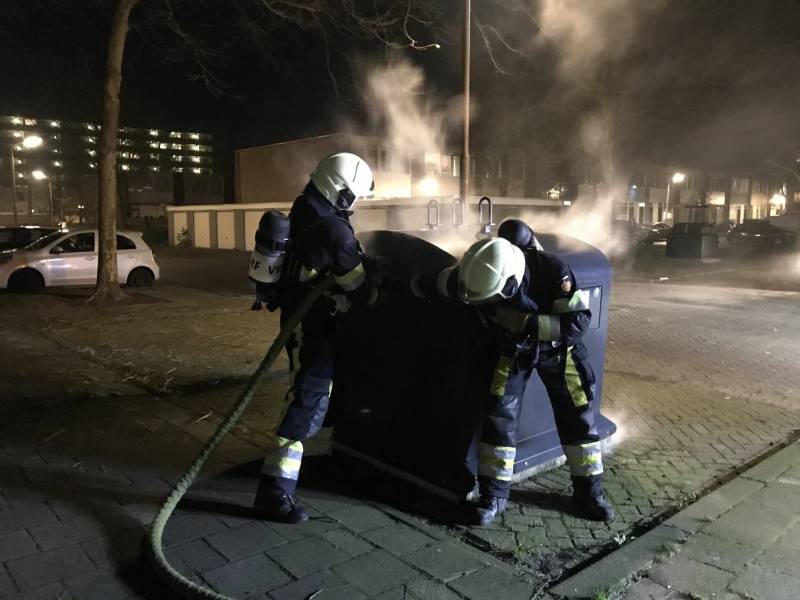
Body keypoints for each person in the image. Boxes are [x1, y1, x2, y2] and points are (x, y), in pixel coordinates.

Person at [414, 223, 614, 526]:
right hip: (512, 351)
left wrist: (526, 323)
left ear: (510, 283)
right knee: (499, 421)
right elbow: (433, 283)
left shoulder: (553, 271)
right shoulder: (475, 274)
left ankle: (590, 495)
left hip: (560, 352)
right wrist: (411, 282)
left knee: (579, 420)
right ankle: (493, 497)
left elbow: (577, 324)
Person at [254, 152, 379, 523]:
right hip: (314, 326)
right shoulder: (335, 231)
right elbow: (360, 290)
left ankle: (320, 459)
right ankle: (275, 491)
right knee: (307, 397)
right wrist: (375, 274)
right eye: (353, 197)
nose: (355, 204)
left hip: (299, 317)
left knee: (323, 394)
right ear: (341, 193)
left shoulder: (305, 207)